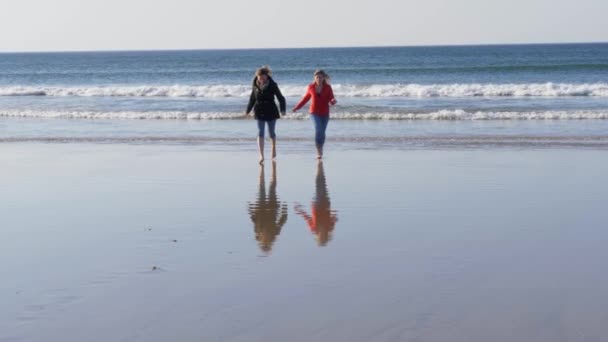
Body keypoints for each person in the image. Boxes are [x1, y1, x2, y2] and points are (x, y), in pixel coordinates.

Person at [292, 69, 337, 159]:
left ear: (323, 78)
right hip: (314, 113)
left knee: (322, 132)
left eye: (320, 77)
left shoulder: (328, 87)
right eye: (317, 77)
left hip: (325, 113)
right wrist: (297, 107)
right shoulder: (311, 87)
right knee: (318, 130)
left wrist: (333, 101)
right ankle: (319, 152)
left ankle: (321, 148)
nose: (319, 79)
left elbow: (331, 98)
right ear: (314, 78)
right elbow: (305, 99)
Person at [246, 66, 286, 164]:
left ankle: (273, 148)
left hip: (271, 110)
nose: (261, 79)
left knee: (271, 132)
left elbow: (281, 98)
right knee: (260, 132)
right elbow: (252, 99)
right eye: (259, 77)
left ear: (267, 76)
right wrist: (248, 110)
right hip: (259, 110)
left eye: (263, 76)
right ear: (257, 76)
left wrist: (283, 110)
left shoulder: (273, 85)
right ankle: (261, 155)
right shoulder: (255, 85)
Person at [294, 161, 338, 246]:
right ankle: (320, 169)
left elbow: (307, 218)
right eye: (322, 237)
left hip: (317, 204)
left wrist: (300, 210)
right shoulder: (329, 228)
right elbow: (333, 218)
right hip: (325, 203)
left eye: (320, 237)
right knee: (322, 186)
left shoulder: (314, 229)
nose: (320, 236)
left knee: (319, 186)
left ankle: (320, 168)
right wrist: (334, 215)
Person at [247, 162, 288, 253]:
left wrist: (250, 209)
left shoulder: (259, 234)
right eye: (267, 244)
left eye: (264, 244)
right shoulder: (272, 233)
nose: (266, 241)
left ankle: (265, 171)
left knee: (265, 187)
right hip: (271, 207)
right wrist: (284, 210)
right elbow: (281, 221)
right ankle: (270, 171)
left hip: (263, 207)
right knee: (268, 187)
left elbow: (254, 220)